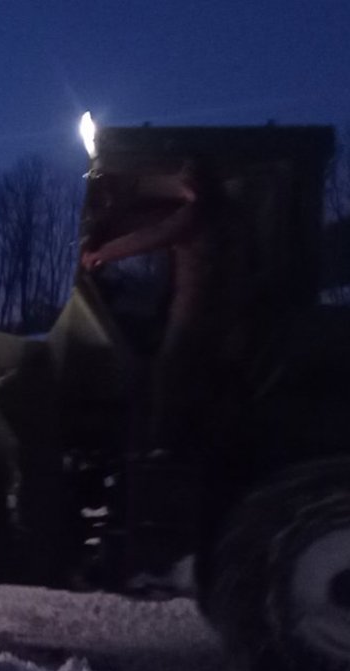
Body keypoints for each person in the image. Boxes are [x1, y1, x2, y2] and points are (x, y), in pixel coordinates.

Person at [81, 160, 241, 457]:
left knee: (168, 370)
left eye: (185, 182)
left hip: (197, 307)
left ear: (195, 185)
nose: (182, 188)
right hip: (221, 308)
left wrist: (99, 254)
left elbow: (151, 236)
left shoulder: (197, 214)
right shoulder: (226, 213)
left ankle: (164, 446)